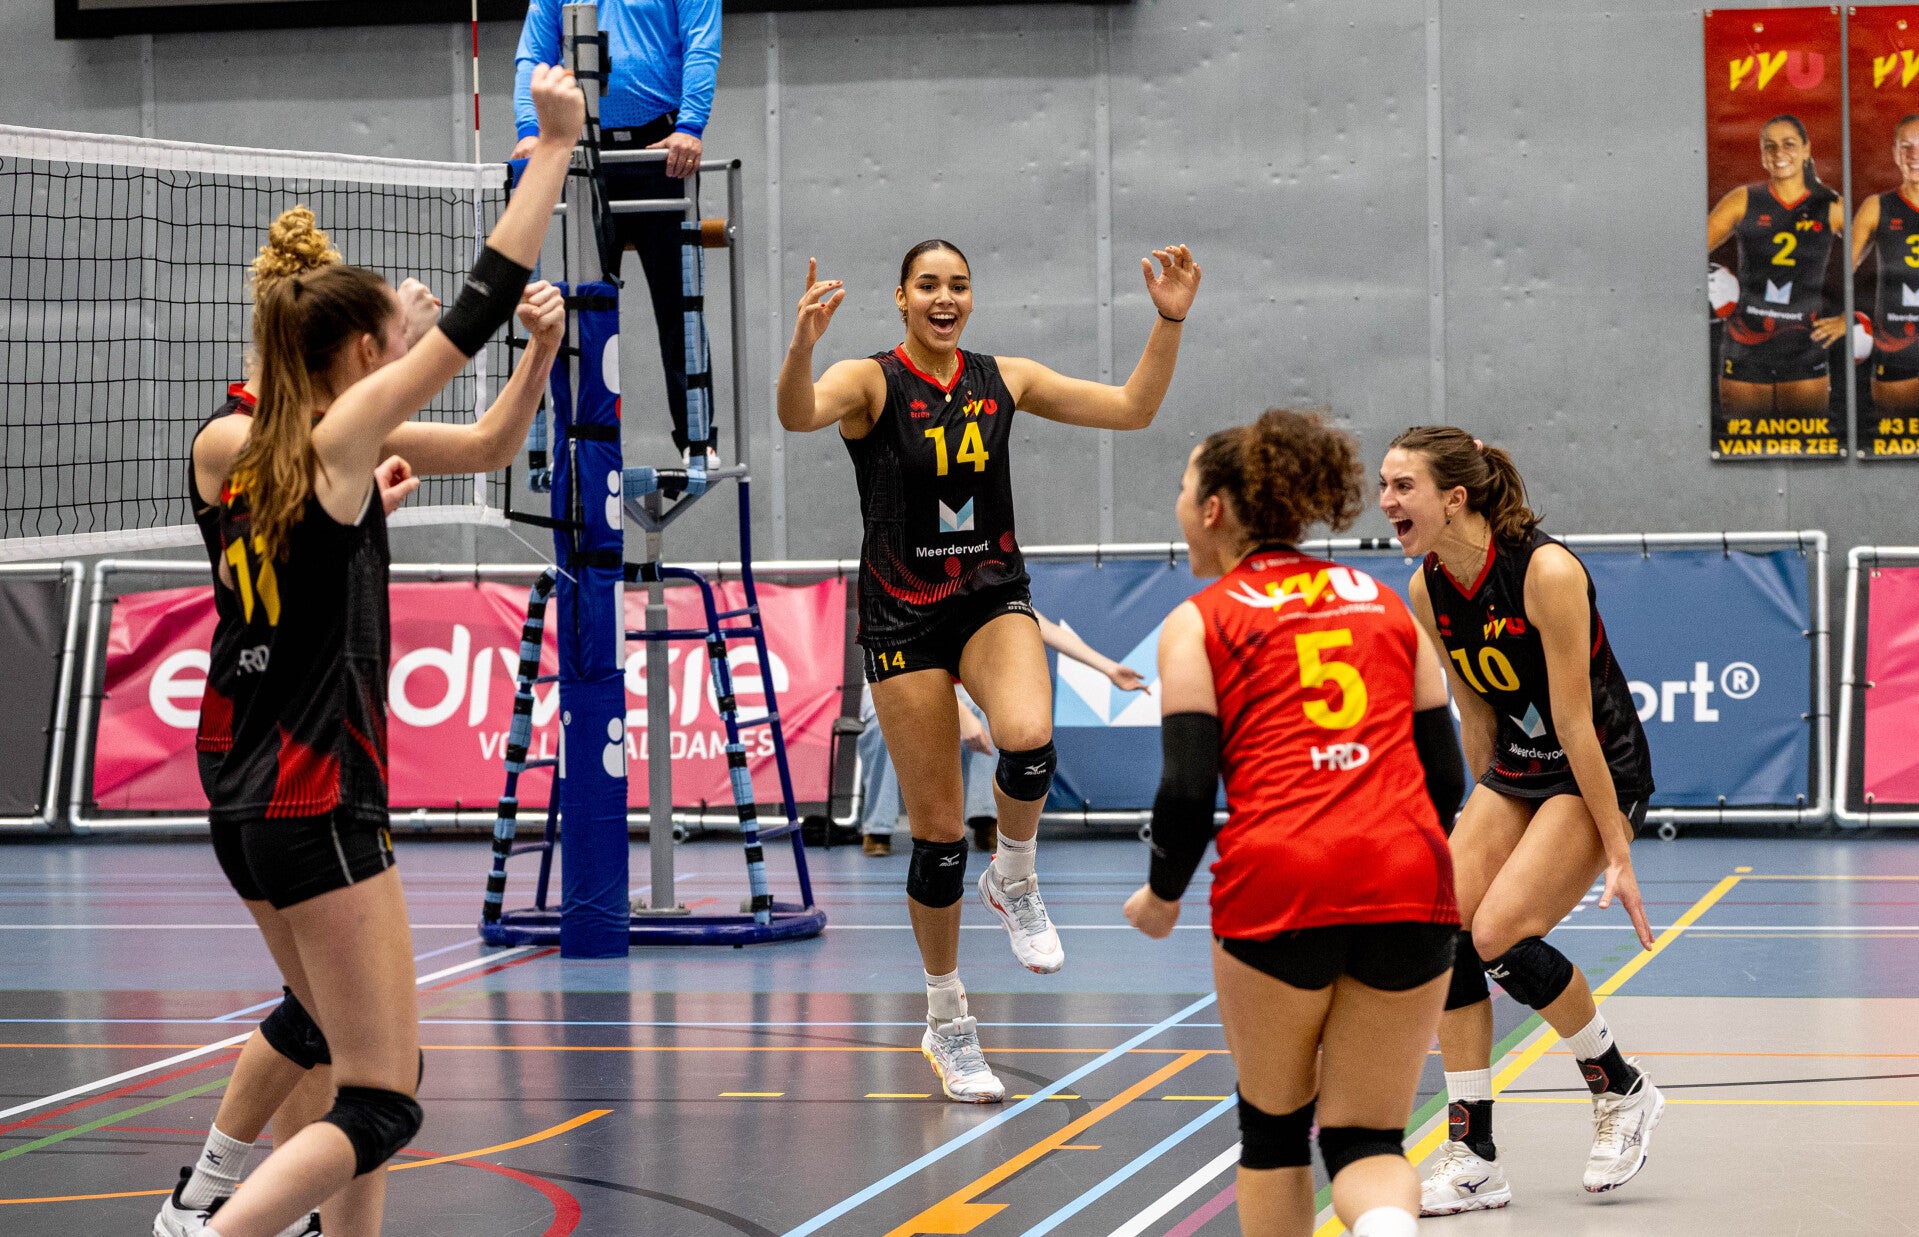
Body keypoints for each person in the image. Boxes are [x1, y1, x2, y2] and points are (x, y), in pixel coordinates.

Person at [175, 65, 581, 1237]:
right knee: (384, 1097)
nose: (405, 348)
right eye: (390, 341)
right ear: (359, 353)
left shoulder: (239, 442)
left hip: (243, 783)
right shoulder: (338, 435)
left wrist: (536, 363)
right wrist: (554, 149)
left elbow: (487, 440)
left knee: (335, 1045)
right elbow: (477, 304)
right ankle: (208, 1223)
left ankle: (223, 1201)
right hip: (318, 786)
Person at [779, 237, 1199, 1101]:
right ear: (901, 298)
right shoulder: (870, 382)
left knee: (1028, 737)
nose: (945, 297)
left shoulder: (1002, 377)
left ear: (971, 297)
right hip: (901, 614)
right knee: (936, 837)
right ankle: (947, 1019)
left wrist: (1168, 320)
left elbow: (1132, 409)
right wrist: (800, 347)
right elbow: (796, 415)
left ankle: (1013, 871)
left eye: (959, 284)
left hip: (987, 595)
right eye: (928, 285)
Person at [1124, 408, 1465, 1237]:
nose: (1179, 503)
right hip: (1408, 874)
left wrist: (1161, 895)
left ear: (1212, 509)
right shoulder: (1383, 602)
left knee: (1274, 1130)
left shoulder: (1200, 619)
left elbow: (1186, 787)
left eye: (1182, 488)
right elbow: (1444, 775)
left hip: (1280, 878)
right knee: (1367, 1137)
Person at [1377, 427, 1663, 1215]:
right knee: (1442, 922)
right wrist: (1479, 816)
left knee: (1499, 931)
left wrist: (1617, 850)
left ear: (1453, 497)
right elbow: (1475, 713)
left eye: (1402, 486)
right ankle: (1473, 1157)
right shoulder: (1427, 587)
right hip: (1516, 766)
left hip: (1593, 765)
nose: (1385, 501)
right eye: (1383, 485)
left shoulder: (1544, 570)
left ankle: (1621, 1089)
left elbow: (1574, 722)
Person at [512, 0, 722, 463]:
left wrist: (691, 124)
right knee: (582, 310)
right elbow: (533, 56)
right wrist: (530, 127)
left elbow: (701, 47)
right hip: (585, 154)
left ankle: (696, 440)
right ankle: (581, 441)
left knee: (680, 306)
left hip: (662, 154)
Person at [858, 611, 1148, 856]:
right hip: (895, 674)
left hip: (963, 681)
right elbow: (908, 660)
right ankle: (877, 829)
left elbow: (1041, 625)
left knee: (998, 708)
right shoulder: (902, 583)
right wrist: (961, 715)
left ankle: (985, 818)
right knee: (882, 722)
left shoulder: (985, 580)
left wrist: (1108, 668)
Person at [1705, 114, 1847, 421]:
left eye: (1789, 144)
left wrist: (1849, 318)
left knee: (1806, 444)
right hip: (1745, 346)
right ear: (1761, 154)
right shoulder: (1743, 200)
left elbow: (1886, 250)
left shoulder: (1830, 205)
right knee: (1744, 442)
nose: (1778, 153)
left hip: (1804, 347)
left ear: (1807, 149)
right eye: (1769, 146)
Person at [1850, 113, 1919, 419]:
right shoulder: (1877, 206)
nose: (1914, 155)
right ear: (1894, 153)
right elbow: (1837, 274)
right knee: (1894, 439)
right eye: (1906, 146)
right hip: (1895, 353)